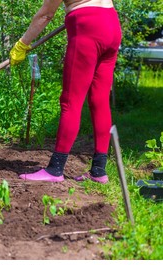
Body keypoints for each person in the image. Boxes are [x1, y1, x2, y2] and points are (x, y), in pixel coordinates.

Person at [9, 0, 122, 184]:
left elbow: (45, 14)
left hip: (87, 28)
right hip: (111, 23)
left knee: (71, 101)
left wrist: (22, 43)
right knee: (99, 101)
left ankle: (55, 169)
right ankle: (99, 171)